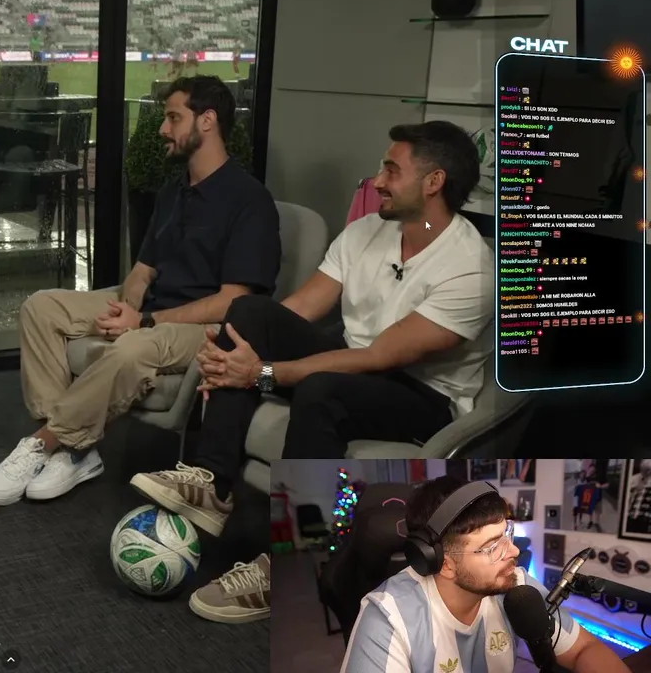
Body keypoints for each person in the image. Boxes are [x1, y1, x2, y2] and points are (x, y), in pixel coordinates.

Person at [131, 122, 495, 529]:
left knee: (321, 389)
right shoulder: (365, 232)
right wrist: (237, 346)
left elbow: (378, 357)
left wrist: (261, 373)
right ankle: (211, 484)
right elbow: (300, 307)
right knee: (250, 312)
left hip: (421, 396)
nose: (377, 182)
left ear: (434, 182)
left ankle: (301, 548)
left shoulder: (470, 269)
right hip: (355, 360)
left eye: (392, 171)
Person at [0, 75, 282, 512]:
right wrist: (128, 307)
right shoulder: (173, 191)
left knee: (133, 347)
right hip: (152, 313)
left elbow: (232, 301)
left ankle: (44, 442)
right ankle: (74, 452)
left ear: (207, 121)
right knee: (40, 307)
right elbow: (143, 269)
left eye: (173, 118)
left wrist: (142, 322)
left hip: (209, 328)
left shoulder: (250, 200)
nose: (162, 129)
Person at [342, 476, 631, 672]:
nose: (513, 552)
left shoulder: (516, 586)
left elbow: (584, 649)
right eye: (492, 547)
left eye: (507, 534)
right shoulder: (389, 619)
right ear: (444, 563)